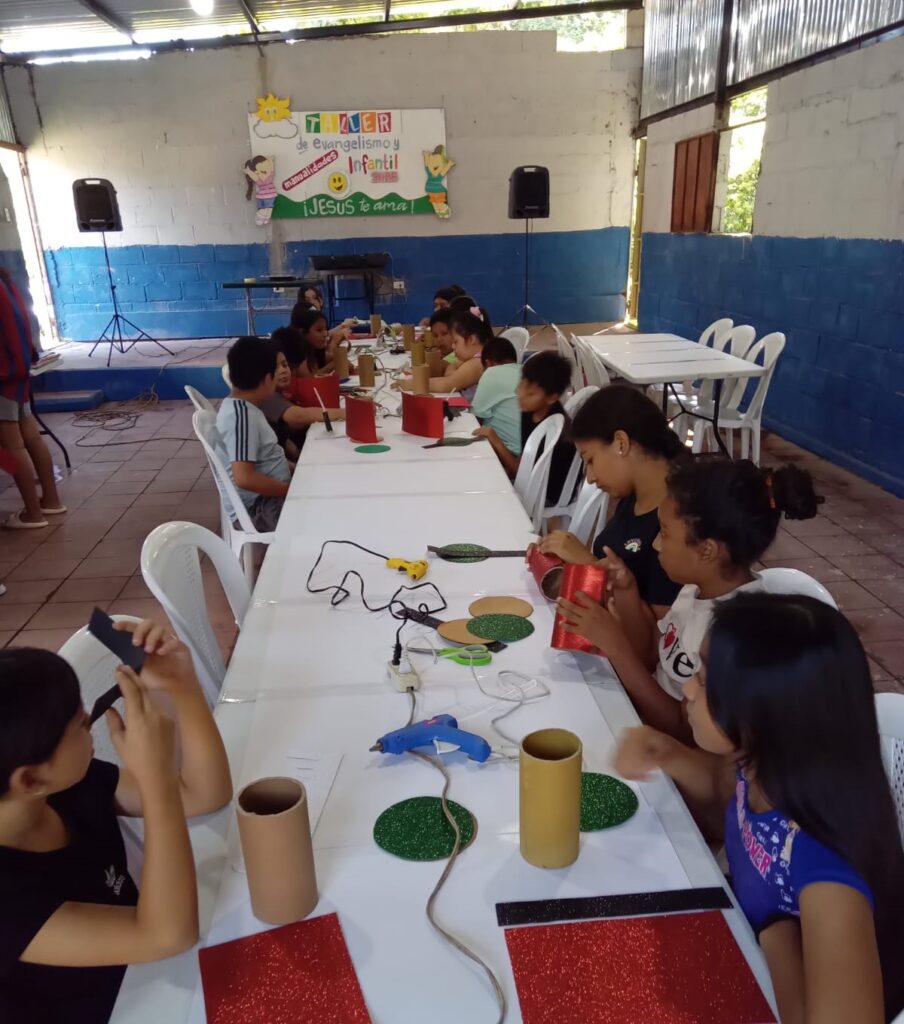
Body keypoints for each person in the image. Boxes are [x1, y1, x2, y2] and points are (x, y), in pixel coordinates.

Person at [615, 593, 904, 1024]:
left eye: (706, 681)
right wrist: (666, 751)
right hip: (737, 947)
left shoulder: (825, 869)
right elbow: (723, 789)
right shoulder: (764, 767)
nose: (688, 690)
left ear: (766, 716)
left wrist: (776, 934)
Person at [0, 619, 233, 1023]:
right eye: (79, 724)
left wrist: (182, 687)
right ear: (30, 779)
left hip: (153, 976)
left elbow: (204, 794)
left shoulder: (63, 786)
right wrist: (156, 778)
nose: (90, 720)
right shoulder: (9, 901)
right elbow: (167, 935)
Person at [558, 457, 819, 736]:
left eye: (665, 533)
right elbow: (654, 654)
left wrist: (615, 647)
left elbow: (684, 729)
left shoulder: (735, 634)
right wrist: (626, 590)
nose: (656, 544)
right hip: (642, 718)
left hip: (667, 744)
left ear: (706, 551)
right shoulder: (696, 589)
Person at [538, 385, 684, 661]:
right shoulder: (633, 498)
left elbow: (657, 649)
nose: (590, 477)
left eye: (590, 460)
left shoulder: (675, 526)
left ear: (620, 443)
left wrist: (588, 563)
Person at [0, 268, 64, 530]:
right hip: (18, 373)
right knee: (31, 439)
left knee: (10, 449)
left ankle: (33, 514)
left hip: (3, 377)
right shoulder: (6, 282)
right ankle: (50, 500)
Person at [475, 351, 575, 504]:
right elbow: (522, 462)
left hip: (547, 498)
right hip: (530, 480)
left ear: (552, 397)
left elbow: (523, 476)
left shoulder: (554, 432)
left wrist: (496, 441)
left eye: (531, 393)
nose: (521, 395)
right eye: (521, 386)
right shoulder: (530, 410)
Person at [216, 336, 292, 532]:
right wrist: (291, 491)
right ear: (267, 379)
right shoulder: (241, 417)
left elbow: (268, 456)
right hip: (258, 509)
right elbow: (244, 478)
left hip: (268, 498)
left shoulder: (247, 408)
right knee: (324, 510)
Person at [261, 329, 345, 459]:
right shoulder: (267, 397)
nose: (284, 371)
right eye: (275, 367)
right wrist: (344, 413)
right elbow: (297, 416)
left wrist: (298, 456)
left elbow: (282, 438)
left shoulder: (277, 392)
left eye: (285, 365)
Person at [395, 306, 492, 397]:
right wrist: (453, 373)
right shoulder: (470, 358)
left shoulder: (478, 363)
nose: (453, 346)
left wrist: (413, 384)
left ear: (471, 340)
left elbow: (447, 384)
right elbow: (451, 372)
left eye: (455, 342)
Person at [471, 336, 522, 458]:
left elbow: (475, 417)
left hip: (510, 453)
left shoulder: (492, 372)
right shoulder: (525, 370)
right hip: (533, 453)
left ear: (488, 363)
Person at [289, 305, 338, 375]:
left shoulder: (314, 350)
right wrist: (333, 365)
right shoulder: (298, 355)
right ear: (303, 332)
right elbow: (310, 378)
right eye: (319, 330)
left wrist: (341, 361)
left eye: (326, 329)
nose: (325, 334)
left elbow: (335, 357)